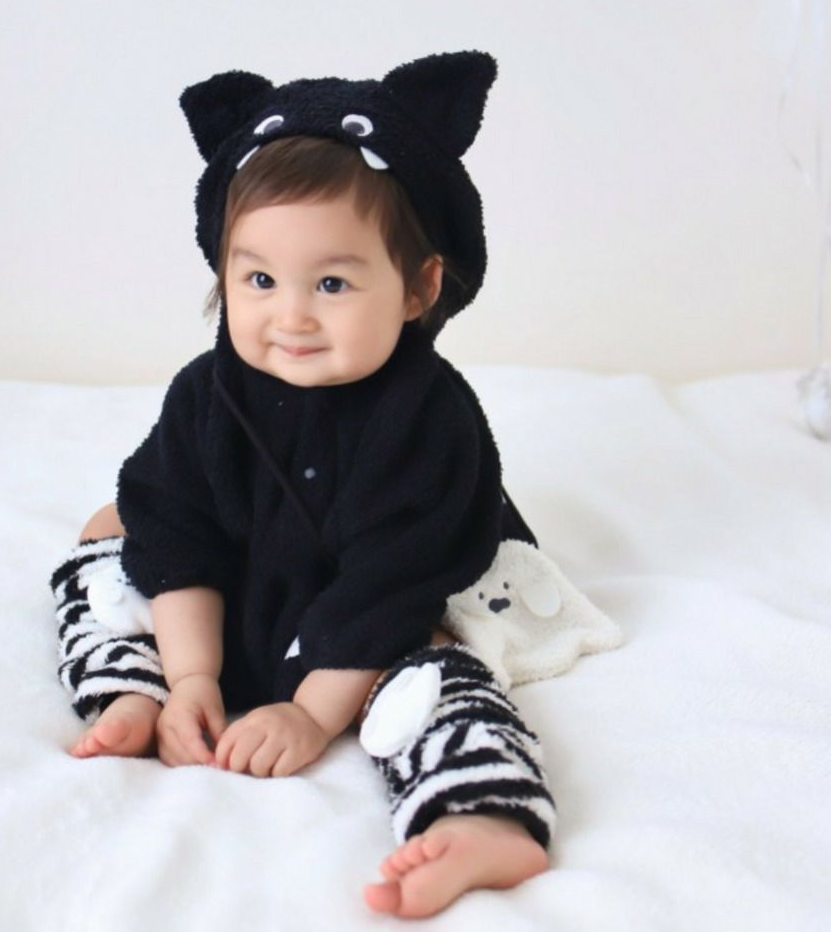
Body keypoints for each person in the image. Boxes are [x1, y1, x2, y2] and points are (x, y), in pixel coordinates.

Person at [50, 52, 555, 919]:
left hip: (380, 614)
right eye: (259, 279)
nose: (290, 315)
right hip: (250, 575)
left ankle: (481, 813)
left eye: (331, 283)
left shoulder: (426, 422)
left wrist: (314, 716)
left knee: (435, 671)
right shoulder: (207, 396)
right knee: (111, 539)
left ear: (418, 288)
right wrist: (195, 677)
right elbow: (179, 535)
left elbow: (391, 582)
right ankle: (134, 689)